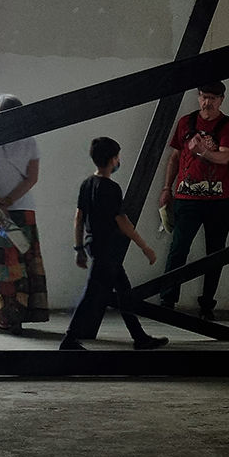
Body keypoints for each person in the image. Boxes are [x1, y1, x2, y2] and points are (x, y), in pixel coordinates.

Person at [60, 137, 168, 350]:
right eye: (117, 157)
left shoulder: (87, 184)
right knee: (92, 294)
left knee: (124, 292)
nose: (119, 160)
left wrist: (79, 248)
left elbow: (79, 218)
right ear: (112, 159)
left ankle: (139, 337)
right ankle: (69, 339)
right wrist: (144, 246)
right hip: (108, 248)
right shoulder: (111, 188)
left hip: (94, 245)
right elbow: (122, 221)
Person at [159, 82, 229, 320]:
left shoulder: (227, 125)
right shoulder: (186, 122)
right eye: (204, 96)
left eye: (212, 98)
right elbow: (174, 157)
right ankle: (167, 299)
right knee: (178, 248)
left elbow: (224, 157)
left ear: (221, 99)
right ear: (198, 97)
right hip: (186, 199)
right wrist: (166, 188)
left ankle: (207, 305)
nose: (207, 102)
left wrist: (203, 151)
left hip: (219, 201)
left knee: (215, 253)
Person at [0, 94, 49, 334]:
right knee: (25, 263)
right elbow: (32, 178)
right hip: (23, 208)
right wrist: (10, 200)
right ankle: (24, 314)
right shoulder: (30, 141)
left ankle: (3, 316)